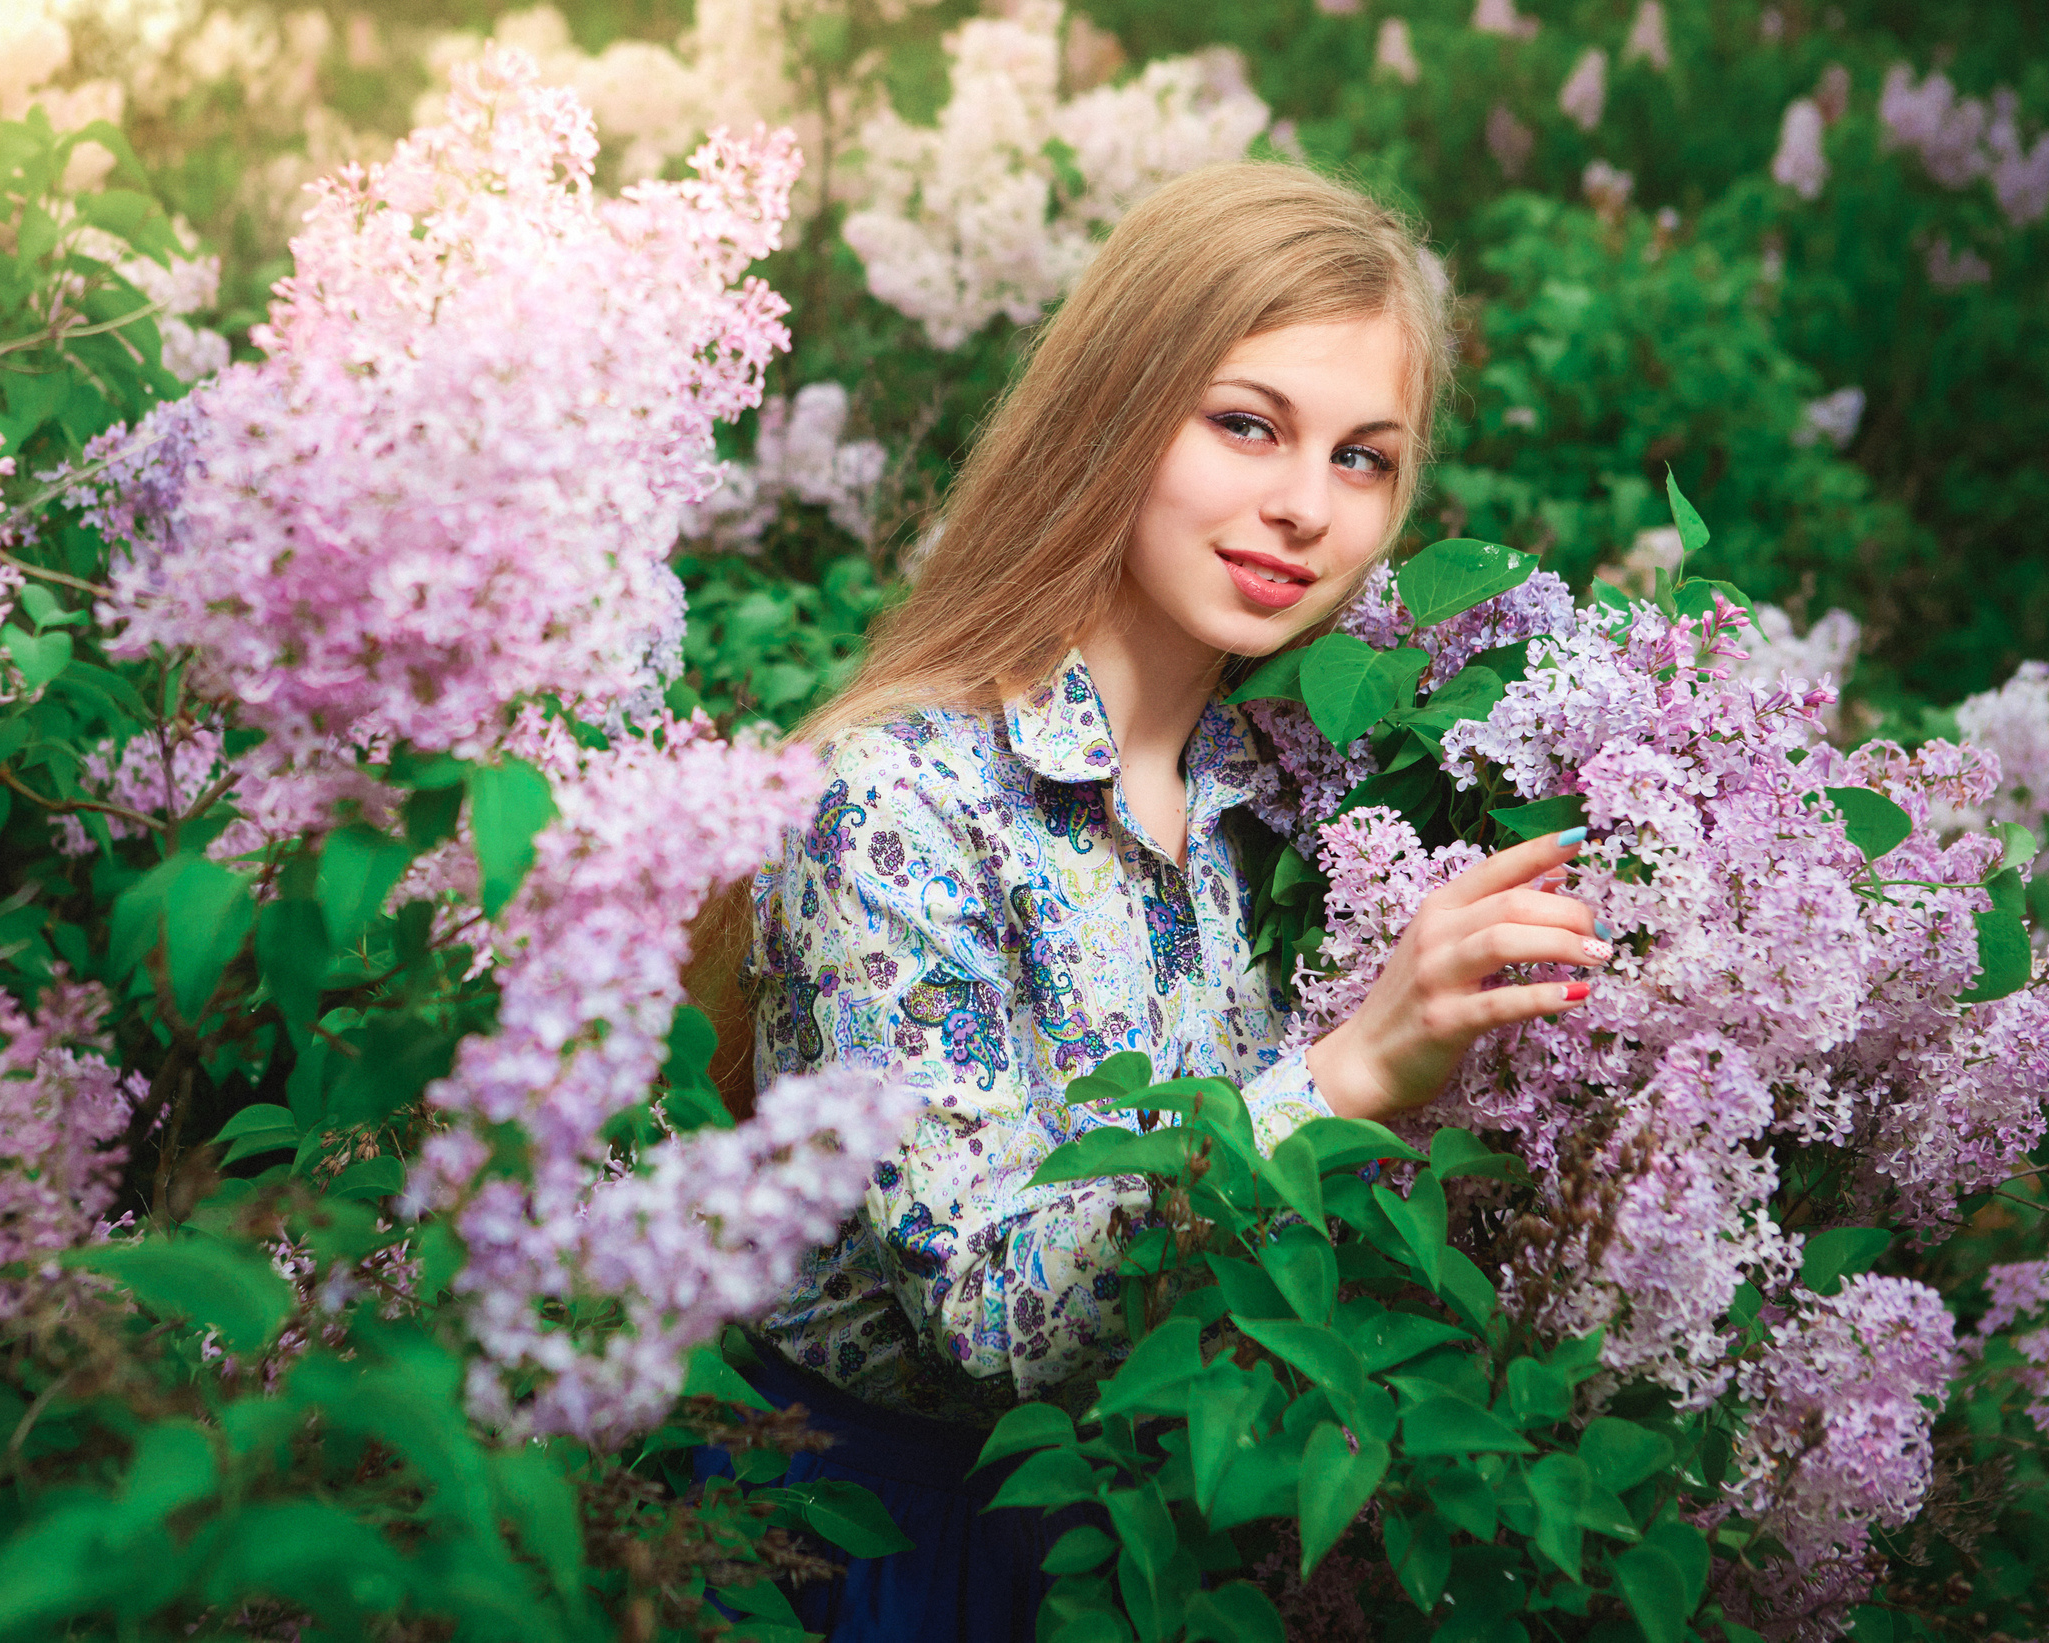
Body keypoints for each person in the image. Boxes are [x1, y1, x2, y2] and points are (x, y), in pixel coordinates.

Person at [689, 160, 1608, 1640]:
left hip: (1182, 1541)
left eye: (1364, 459)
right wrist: (1352, 1072)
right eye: (1247, 425)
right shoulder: (892, 802)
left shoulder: (1301, 801)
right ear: (1118, 408)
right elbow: (991, 1319)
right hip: (892, 1553)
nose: (1303, 508)